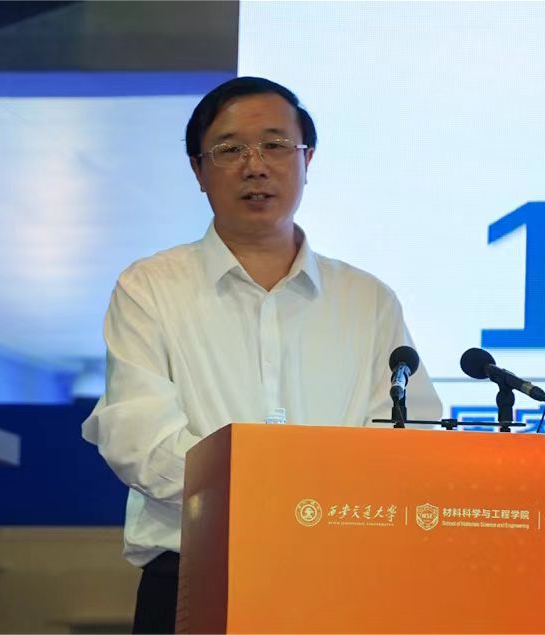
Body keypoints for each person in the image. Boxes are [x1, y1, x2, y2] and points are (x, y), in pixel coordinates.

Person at [81, 76, 441, 634]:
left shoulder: (367, 299)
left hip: (341, 577)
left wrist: (311, 509)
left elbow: (409, 430)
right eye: (230, 150)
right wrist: (281, 503)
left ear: (307, 159)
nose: (255, 166)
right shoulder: (150, 287)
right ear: (199, 171)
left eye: (275, 145)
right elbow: (137, 437)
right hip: (195, 576)